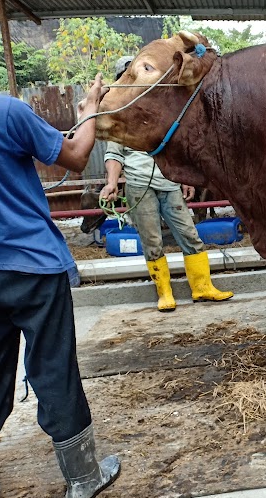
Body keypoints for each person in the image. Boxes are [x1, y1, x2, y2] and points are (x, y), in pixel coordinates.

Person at [0, 75, 120, 498]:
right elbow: (77, 157)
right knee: (53, 366)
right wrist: (88, 112)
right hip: (31, 265)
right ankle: (82, 477)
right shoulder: (4, 112)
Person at [99, 56, 233, 312]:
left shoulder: (159, 109)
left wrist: (185, 177)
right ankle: (164, 293)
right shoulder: (119, 115)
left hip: (169, 182)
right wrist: (112, 183)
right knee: (152, 241)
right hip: (139, 184)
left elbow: (177, 145)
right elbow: (114, 154)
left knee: (189, 234)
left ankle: (202, 288)